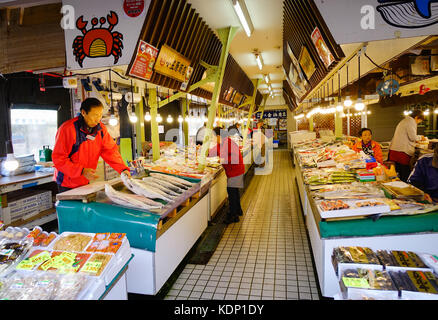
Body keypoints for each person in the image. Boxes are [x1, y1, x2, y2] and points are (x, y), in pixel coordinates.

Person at [52, 97, 131, 193]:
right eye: (95, 115)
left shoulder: (100, 129)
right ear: (83, 112)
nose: (98, 120)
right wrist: (81, 171)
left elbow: (110, 151)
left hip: (85, 180)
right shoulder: (67, 129)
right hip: (67, 182)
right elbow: (58, 159)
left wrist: (122, 169)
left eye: (100, 115)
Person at [209, 127, 245, 224]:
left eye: (213, 136)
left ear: (218, 136)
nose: (213, 138)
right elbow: (212, 151)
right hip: (233, 171)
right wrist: (203, 152)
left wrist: (223, 160)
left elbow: (234, 157)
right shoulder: (221, 143)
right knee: (235, 192)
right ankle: (238, 210)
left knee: (232, 193)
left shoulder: (228, 143)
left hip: (235, 171)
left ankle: (233, 216)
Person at [388, 109, 425, 182]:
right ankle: (404, 189)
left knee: (397, 173)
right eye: (419, 121)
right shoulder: (411, 122)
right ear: (417, 117)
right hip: (402, 152)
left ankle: (398, 187)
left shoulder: (404, 120)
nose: (418, 123)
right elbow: (412, 137)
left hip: (395, 150)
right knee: (404, 173)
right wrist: (421, 137)